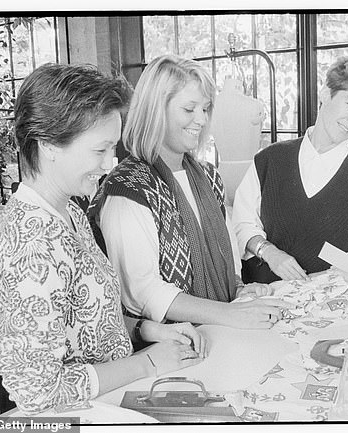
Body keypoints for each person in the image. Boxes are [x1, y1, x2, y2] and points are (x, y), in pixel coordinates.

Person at [0, 63, 207, 415]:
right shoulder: (32, 243)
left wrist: (148, 331)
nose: (109, 163)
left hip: (109, 400)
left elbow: (90, 320)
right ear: (48, 145)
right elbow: (38, 391)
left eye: (113, 149)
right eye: (99, 150)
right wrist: (148, 363)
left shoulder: (68, 211)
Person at [87, 55, 291, 329]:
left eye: (205, 109)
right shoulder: (128, 189)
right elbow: (142, 292)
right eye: (189, 109)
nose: (201, 119)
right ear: (155, 110)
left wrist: (240, 291)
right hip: (169, 346)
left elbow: (227, 257)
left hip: (219, 332)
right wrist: (229, 314)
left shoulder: (208, 176)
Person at [232, 52, 348, 290]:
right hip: (257, 298)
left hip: (325, 307)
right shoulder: (269, 160)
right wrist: (270, 252)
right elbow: (242, 223)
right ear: (326, 94)